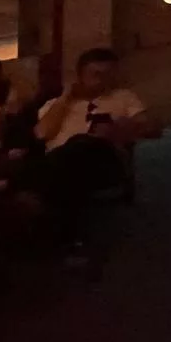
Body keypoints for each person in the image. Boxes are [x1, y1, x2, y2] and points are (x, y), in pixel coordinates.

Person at [31, 47, 159, 249]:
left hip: (103, 159)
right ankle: (67, 239)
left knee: (80, 146)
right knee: (67, 161)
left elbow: (153, 129)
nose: (103, 80)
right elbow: (41, 134)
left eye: (109, 74)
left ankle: (61, 238)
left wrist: (120, 129)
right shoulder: (56, 104)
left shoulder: (124, 97)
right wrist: (66, 98)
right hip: (58, 162)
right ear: (80, 76)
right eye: (96, 75)